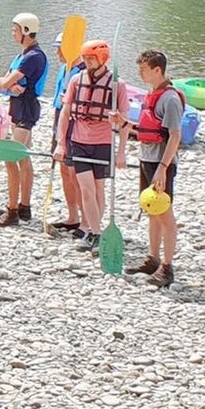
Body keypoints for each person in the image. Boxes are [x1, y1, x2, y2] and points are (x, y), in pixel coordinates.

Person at [54, 39, 130, 251]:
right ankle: (95, 232)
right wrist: (61, 144)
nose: (87, 62)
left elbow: (125, 124)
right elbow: (66, 114)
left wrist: (121, 152)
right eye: (85, 58)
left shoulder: (117, 85)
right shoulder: (77, 81)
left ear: (103, 58)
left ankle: (95, 229)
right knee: (86, 189)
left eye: (91, 58)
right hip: (79, 142)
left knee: (98, 189)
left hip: (103, 143)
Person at [118, 51, 183, 286]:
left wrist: (163, 168)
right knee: (152, 210)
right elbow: (147, 128)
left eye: (143, 68)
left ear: (158, 70)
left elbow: (175, 136)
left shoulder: (170, 99)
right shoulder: (152, 94)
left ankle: (167, 267)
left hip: (160, 164)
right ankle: (153, 259)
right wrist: (123, 123)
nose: (139, 72)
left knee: (164, 213)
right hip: (147, 159)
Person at [0, 14, 48, 227]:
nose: (13, 33)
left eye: (15, 29)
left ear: (25, 30)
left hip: (26, 109)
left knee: (11, 156)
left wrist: (5, 83)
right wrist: (5, 82)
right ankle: (24, 206)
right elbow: (5, 82)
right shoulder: (24, 54)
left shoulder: (33, 56)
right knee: (23, 158)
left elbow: (4, 83)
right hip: (18, 108)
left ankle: (12, 210)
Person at [48, 37, 87, 232]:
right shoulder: (65, 69)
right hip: (59, 118)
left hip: (74, 123)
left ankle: (86, 219)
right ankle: (73, 216)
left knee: (74, 172)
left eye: (60, 49)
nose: (57, 53)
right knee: (64, 170)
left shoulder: (83, 73)